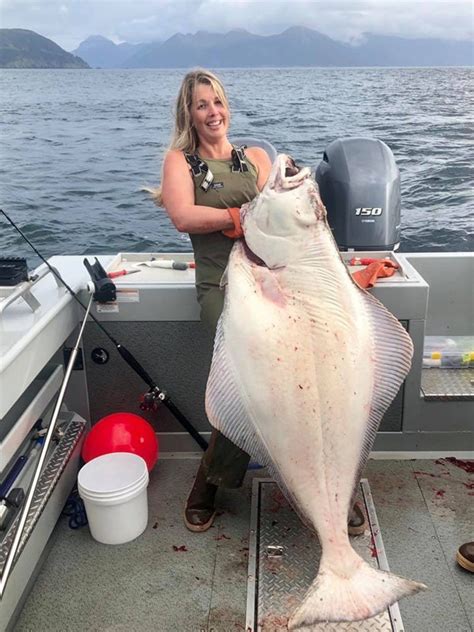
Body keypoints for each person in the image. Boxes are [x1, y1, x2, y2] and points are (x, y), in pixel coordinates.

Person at [154, 68, 367, 536]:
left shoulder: (253, 157)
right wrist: (239, 214)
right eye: (202, 104)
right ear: (188, 113)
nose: (213, 112)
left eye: (218, 102)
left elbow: (286, 215)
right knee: (253, 391)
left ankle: (333, 487)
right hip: (226, 288)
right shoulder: (180, 162)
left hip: (283, 283)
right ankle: (208, 484)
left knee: (320, 383)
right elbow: (182, 216)